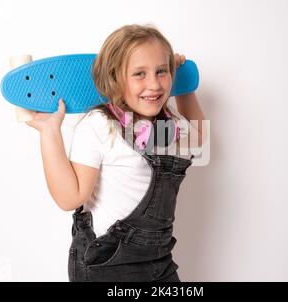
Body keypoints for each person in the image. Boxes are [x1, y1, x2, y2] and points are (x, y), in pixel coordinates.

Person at [26, 24, 205, 282]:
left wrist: (185, 87)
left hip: (159, 263)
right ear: (115, 79)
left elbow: (198, 139)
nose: (154, 84)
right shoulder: (100, 125)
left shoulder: (167, 126)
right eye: (140, 74)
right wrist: (49, 131)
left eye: (162, 71)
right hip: (108, 267)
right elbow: (70, 198)